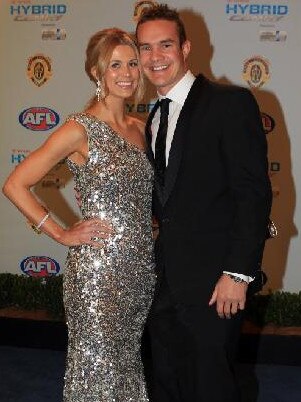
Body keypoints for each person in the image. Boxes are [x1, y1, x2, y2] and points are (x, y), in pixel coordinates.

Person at [3, 28, 156, 401]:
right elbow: (15, 184)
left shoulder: (142, 128)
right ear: (96, 72)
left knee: (126, 367)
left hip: (140, 271)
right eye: (115, 64)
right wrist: (60, 233)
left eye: (133, 63)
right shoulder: (79, 129)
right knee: (96, 370)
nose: (126, 73)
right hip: (97, 276)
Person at [136, 4, 272, 402]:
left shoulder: (229, 103)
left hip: (216, 284)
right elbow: (172, 199)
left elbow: (253, 195)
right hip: (164, 283)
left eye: (165, 45)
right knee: (166, 382)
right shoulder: (153, 118)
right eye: (145, 48)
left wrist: (238, 274)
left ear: (185, 47)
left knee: (212, 386)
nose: (154, 57)